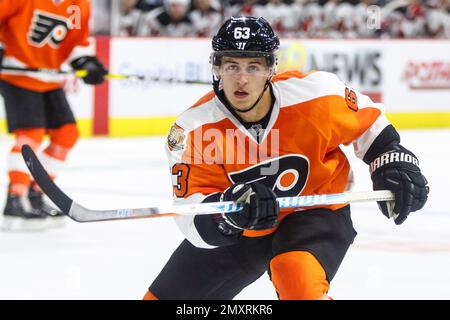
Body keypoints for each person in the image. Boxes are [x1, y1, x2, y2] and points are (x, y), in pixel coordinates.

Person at [143, 16, 429, 300]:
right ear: (216, 67)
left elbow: (372, 126)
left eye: (253, 66)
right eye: (232, 66)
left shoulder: (315, 95)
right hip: (245, 226)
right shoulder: (193, 129)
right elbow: (191, 212)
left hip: (315, 211)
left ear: (271, 68)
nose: (241, 79)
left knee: (295, 277)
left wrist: (392, 161)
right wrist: (228, 213)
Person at [0, 0, 108, 231]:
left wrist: (85, 62)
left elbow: (77, 41)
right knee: (31, 134)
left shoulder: (80, 4)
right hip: (17, 74)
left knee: (67, 134)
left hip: (49, 79)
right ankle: (15, 198)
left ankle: (37, 191)